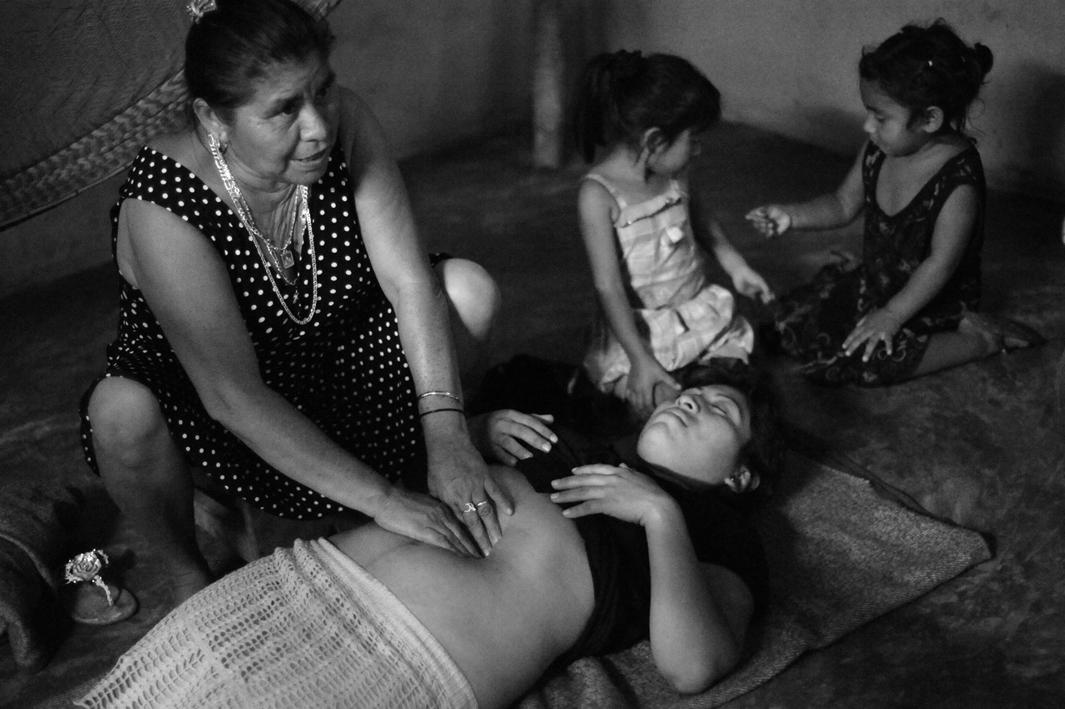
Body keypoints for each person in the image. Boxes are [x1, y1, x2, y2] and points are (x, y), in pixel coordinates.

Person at [77, 0, 508, 605]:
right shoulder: (163, 204)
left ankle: (416, 457)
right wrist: (386, 504)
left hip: (337, 346)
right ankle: (188, 568)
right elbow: (234, 397)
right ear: (213, 118)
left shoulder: (346, 122)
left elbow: (410, 281)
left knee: (467, 288)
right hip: (222, 401)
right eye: (284, 110)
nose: (318, 126)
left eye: (323, 90)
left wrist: (447, 434)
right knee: (120, 411)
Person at [77, 366, 781, 709]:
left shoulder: (712, 530)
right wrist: (472, 434)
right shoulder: (586, 435)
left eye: (722, 406)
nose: (692, 396)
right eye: (692, 388)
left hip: (398, 660)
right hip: (304, 581)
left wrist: (656, 513)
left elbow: (693, 665)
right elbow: (412, 464)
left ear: (743, 476)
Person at [746, 20, 1044, 386]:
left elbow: (941, 264)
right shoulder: (880, 146)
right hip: (878, 281)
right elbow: (842, 204)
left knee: (868, 362)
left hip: (932, 298)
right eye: (869, 113)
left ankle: (979, 338)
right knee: (792, 323)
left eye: (880, 117)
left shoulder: (957, 181)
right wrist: (790, 216)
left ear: (930, 118)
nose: (867, 127)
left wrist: (890, 315)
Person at [572, 50, 774, 418]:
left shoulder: (675, 173)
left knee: (737, 388)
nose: (698, 150)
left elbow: (701, 221)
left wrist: (737, 266)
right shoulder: (598, 195)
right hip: (641, 332)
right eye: (692, 140)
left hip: (694, 311)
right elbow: (608, 287)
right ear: (654, 141)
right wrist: (638, 359)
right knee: (661, 408)